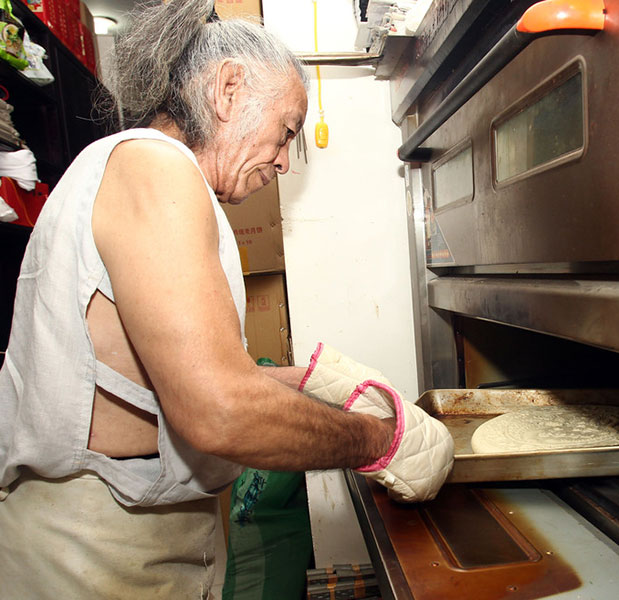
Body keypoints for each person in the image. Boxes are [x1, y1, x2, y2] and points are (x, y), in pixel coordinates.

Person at [0, 1, 453, 598]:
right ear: (229, 87)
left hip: (131, 536)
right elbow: (219, 410)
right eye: (287, 132)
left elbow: (170, 376)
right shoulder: (155, 168)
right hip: (93, 552)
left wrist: (317, 380)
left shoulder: (133, 170)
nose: (285, 162)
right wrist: (379, 442)